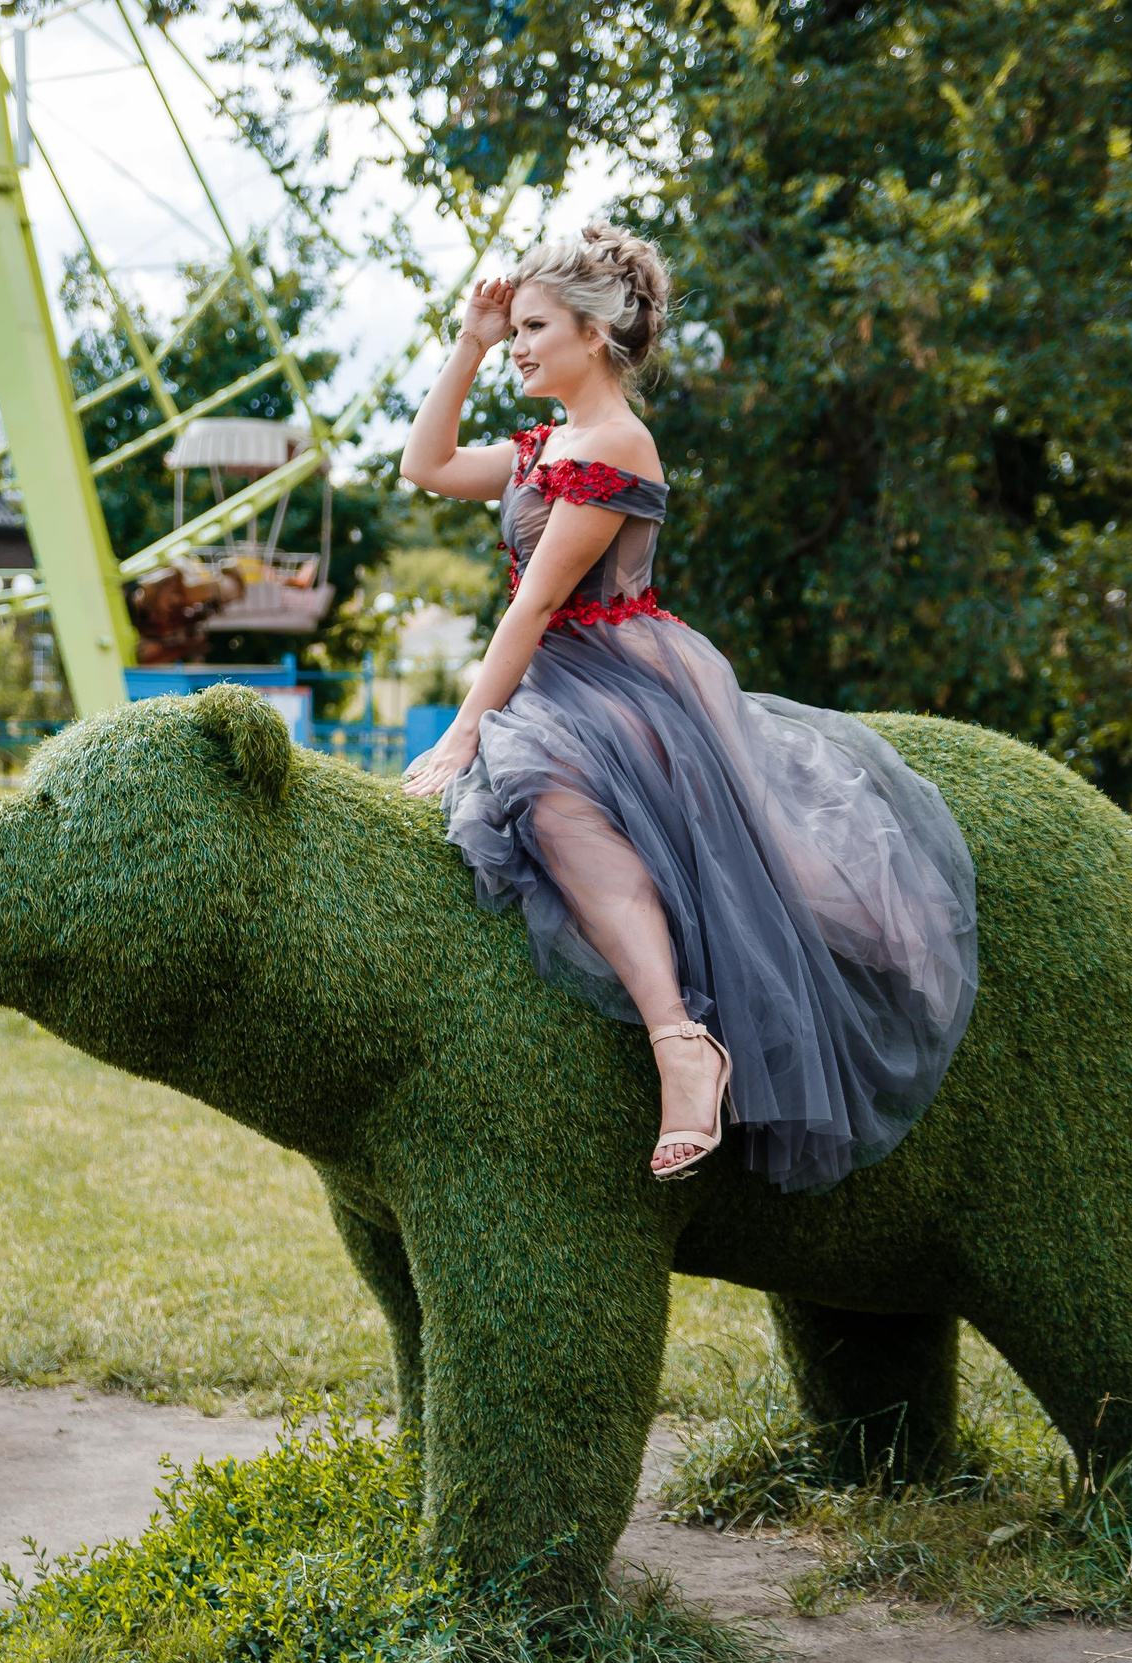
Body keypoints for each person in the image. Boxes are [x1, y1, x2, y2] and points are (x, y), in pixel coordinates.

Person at [398, 224, 979, 1192]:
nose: (518, 346)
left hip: (614, 673)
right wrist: (468, 342)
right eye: (515, 329)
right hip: (553, 672)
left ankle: (683, 1043)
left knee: (549, 790)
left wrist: (463, 733)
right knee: (529, 774)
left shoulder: (618, 442)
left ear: (594, 333)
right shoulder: (545, 444)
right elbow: (426, 466)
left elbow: (536, 604)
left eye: (535, 327)